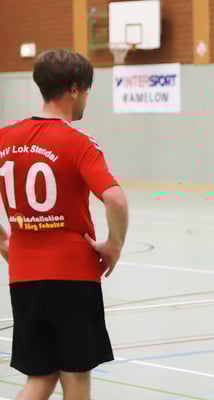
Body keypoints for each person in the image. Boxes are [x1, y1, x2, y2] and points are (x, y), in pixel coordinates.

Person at [0, 49, 129, 400]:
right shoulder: (79, 143)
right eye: (87, 90)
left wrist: (4, 242)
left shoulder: (4, 138)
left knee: (40, 379)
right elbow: (115, 199)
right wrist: (113, 245)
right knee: (75, 379)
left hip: (23, 275)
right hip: (73, 275)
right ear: (74, 90)